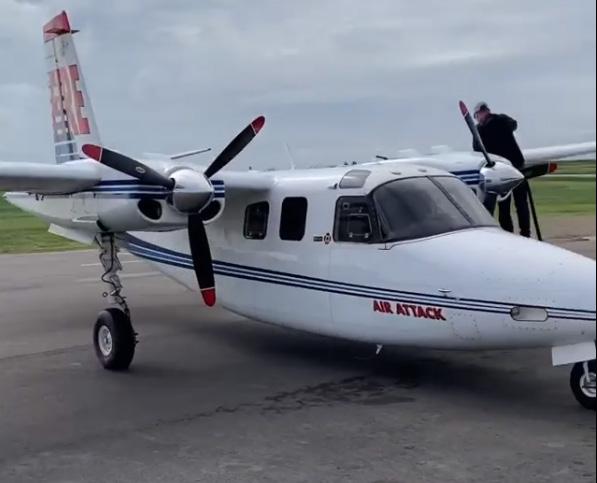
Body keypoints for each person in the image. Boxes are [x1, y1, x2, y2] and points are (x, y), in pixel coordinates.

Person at [473, 102, 531, 237]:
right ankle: (519, 234)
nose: (478, 118)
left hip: (509, 169)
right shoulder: (500, 120)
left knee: (512, 204)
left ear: (482, 113)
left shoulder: (487, 126)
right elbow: (513, 124)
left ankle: (517, 234)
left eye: (478, 115)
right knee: (513, 204)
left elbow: (476, 149)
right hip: (509, 168)